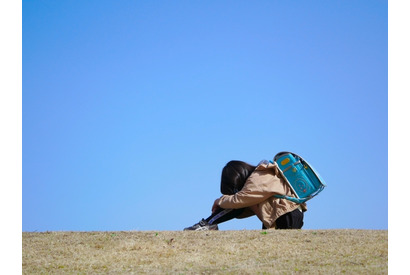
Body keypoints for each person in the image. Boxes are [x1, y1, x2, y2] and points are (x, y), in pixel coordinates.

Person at [184, 159, 307, 231]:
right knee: (238, 203)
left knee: (237, 202)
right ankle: (209, 224)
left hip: (287, 217)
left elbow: (239, 200)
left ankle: (206, 225)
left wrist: (219, 201)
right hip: (288, 217)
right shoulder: (262, 177)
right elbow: (241, 209)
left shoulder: (258, 177)